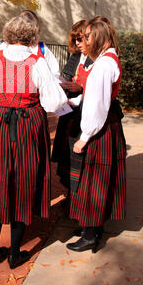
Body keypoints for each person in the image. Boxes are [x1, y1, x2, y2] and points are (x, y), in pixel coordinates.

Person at [0, 13, 67, 268]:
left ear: (9, 33)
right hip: (28, 124)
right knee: (25, 180)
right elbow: (54, 102)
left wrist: (1, 100)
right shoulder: (38, 62)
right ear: (32, 36)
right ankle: (14, 253)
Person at [66, 16, 126, 253]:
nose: (85, 40)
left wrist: (85, 136)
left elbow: (97, 106)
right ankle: (91, 228)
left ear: (98, 37)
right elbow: (92, 97)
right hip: (105, 126)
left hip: (99, 130)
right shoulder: (107, 59)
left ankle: (91, 234)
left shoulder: (103, 64)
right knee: (96, 178)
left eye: (88, 36)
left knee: (93, 180)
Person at [51, 20, 93, 188]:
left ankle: (74, 195)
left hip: (83, 112)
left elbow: (99, 89)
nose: (77, 43)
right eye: (75, 39)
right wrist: (63, 85)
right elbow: (67, 76)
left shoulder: (97, 59)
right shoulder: (75, 56)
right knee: (65, 154)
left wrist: (80, 87)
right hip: (69, 110)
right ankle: (68, 189)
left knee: (77, 156)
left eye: (80, 39)